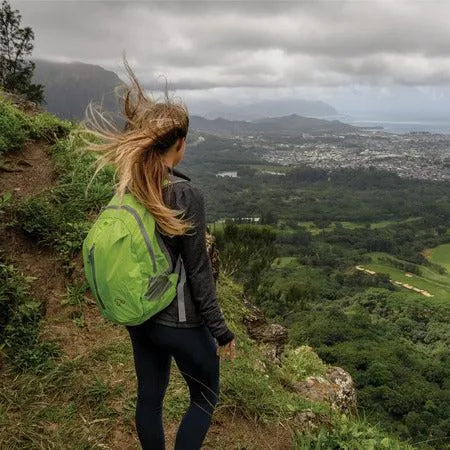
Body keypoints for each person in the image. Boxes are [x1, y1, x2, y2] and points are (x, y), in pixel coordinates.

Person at [83, 57, 236, 450]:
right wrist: (221, 331)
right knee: (204, 396)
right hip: (180, 320)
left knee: (150, 398)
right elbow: (199, 271)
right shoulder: (185, 194)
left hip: (141, 315)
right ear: (180, 144)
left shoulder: (132, 186)